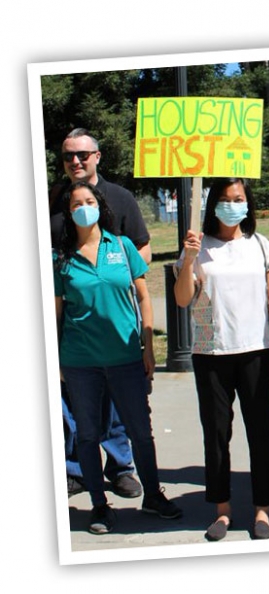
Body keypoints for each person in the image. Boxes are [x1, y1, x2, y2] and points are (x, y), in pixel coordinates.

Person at [53, 181, 182, 535]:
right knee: (88, 434)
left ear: (99, 205)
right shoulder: (60, 259)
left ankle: (153, 495)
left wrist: (147, 344)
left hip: (126, 358)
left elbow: (143, 297)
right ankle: (99, 504)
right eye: (76, 203)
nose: (83, 207)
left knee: (140, 431)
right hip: (80, 363)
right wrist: (57, 362)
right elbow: (57, 314)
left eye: (89, 200)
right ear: (68, 212)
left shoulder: (122, 247)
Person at [174, 178, 269, 541]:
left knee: (261, 432)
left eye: (238, 199)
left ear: (247, 204)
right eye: (224, 199)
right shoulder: (198, 246)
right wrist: (189, 258)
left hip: (255, 349)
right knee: (217, 434)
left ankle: (263, 509)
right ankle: (222, 509)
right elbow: (181, 299)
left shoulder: (260, 245)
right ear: (212, 205)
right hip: (212, 352)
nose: (232, 205)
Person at [49, 128, 151, 499]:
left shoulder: (120, 198)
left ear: (97, 157)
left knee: (120, 407)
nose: (75, 161)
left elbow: (142, 248)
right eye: (68, 156)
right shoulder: (52, 200)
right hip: (74, 328)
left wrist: (120, 279)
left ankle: (121, 468)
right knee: (76, 405)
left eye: (83, 155)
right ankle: (77, 469)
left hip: (116, 330)